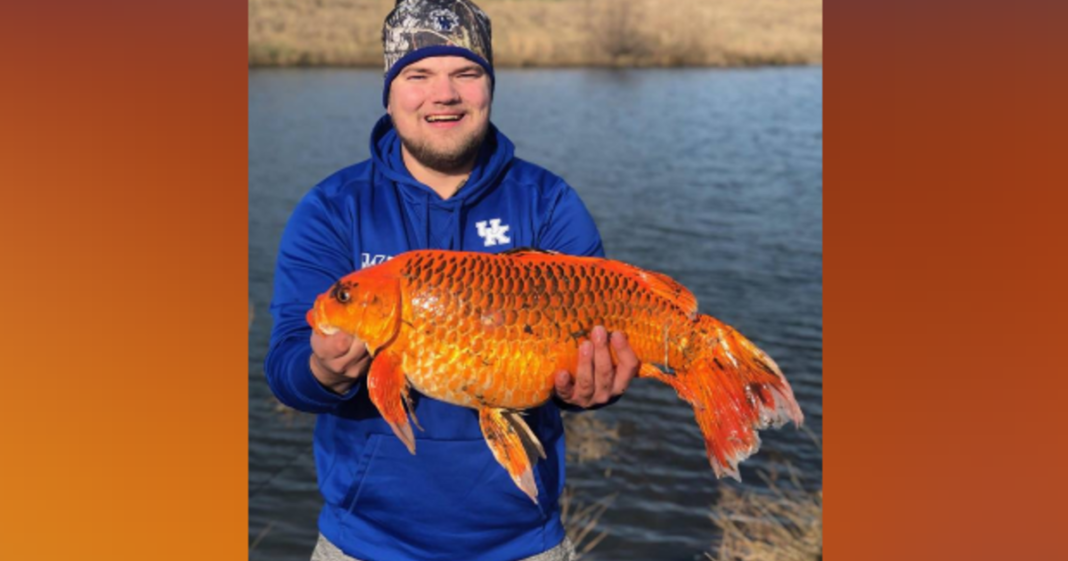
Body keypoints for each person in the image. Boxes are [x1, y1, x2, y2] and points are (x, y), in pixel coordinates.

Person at [265, 1, 640, 559]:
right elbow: (285, 369)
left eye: (465, 73)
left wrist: (591, 391)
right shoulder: (332, 208)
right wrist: (323, 370)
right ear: (390, 93)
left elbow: (591, 360)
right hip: (362, 544)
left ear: (489, 86)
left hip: (524, 542)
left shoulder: (549, 203)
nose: (444, 94)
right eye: (418, 75)